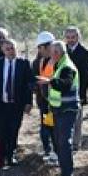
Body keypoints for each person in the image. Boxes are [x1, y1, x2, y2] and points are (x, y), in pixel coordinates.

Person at [39, 40, 79, 176]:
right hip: (56, 110)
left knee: (64, 142)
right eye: (52, 52)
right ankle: (64, 173)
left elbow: (65, 85)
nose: (53, 54)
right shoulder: (58, 64)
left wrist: (49, 81)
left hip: (66, 110)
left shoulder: (67, 66)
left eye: (55, 52)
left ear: (61, 52)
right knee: (58, 141)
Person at [0, 38, 33, 168]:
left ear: (16, 48)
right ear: (3, 50)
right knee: (2, 130)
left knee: (14, 130)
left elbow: (29, 84)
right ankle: (1, 157)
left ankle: (11, 155)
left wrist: (28, 102)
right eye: (7, 49)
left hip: (17, 103)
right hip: (2, 104)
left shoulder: (24, 63)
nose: (10, 51)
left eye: (12, 48)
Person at [63, 26, 88, 150]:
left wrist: (81, 95)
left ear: (78, 37)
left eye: (73, 37)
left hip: (77, 92)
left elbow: (86, 76)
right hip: (61, 92)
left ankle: (75, 144)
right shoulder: (61, 51)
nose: (70, 40)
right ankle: (63, 143)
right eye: (68, 37)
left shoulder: (85, 53)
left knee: (77, 120)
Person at [31, 31, 58, 165]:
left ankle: (56, 153)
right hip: (44, 103)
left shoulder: (59, 61)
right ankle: (48, 150)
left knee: (55, 128)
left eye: (40, 47)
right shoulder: (38, 62)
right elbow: (34, 79)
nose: (39, 50)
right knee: (46, 126)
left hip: (57, 103)